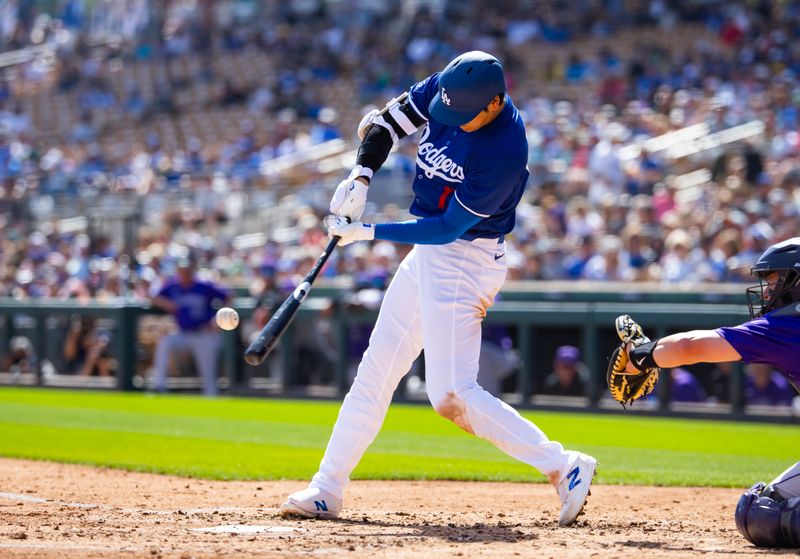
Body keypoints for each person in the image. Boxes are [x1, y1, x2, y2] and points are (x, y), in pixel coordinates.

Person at [279, 51, 596, 526]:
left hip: (466, 257)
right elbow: (385, 125)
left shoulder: (505, 150)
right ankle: (327, 487)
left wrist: (369, 232)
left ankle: (563, 465)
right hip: (432, 256)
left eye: (462, 115)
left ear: (493, 104)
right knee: (376, 370)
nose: (449, 120)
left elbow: (448, 228)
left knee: (450, 393)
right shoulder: (450, 89)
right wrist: (361, 176)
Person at [615, 237, 800, 548]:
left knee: (761, 513)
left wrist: (640, 356)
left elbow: (691, 346)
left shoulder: (785, 327)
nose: (768, 291)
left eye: (774, 280)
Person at [150, 256, 229, 396]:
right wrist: (166, 304)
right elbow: (153, 296)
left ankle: (211, 394)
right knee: (165, 343)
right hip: (183, 333)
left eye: (187, 270)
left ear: (192, 271)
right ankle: (159, 386)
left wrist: (218, 320)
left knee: (208, 370)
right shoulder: (173, 286)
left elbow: (228, 297)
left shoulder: (203, 285)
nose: (184, 273)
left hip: (203, 332)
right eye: (182, 270)